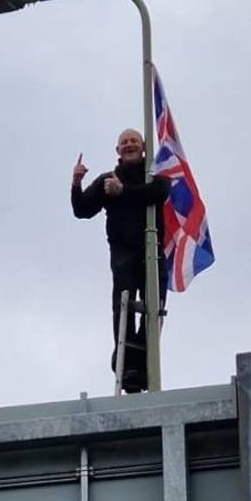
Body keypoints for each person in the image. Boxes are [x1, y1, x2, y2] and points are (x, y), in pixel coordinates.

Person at [71, 129, 169, 393]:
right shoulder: (107, 180)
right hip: (124, 251)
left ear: (143, 146)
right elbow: (82, 210)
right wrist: (76, 183)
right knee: (123, 305)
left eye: (133, 141)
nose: (129, 145)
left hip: (153, 250)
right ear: (117, 150)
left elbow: (155, 193)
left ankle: (145, 363)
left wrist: (123, 192)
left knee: (154, 307)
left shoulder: (157, 178)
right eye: (124, 143)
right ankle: (126, 368)